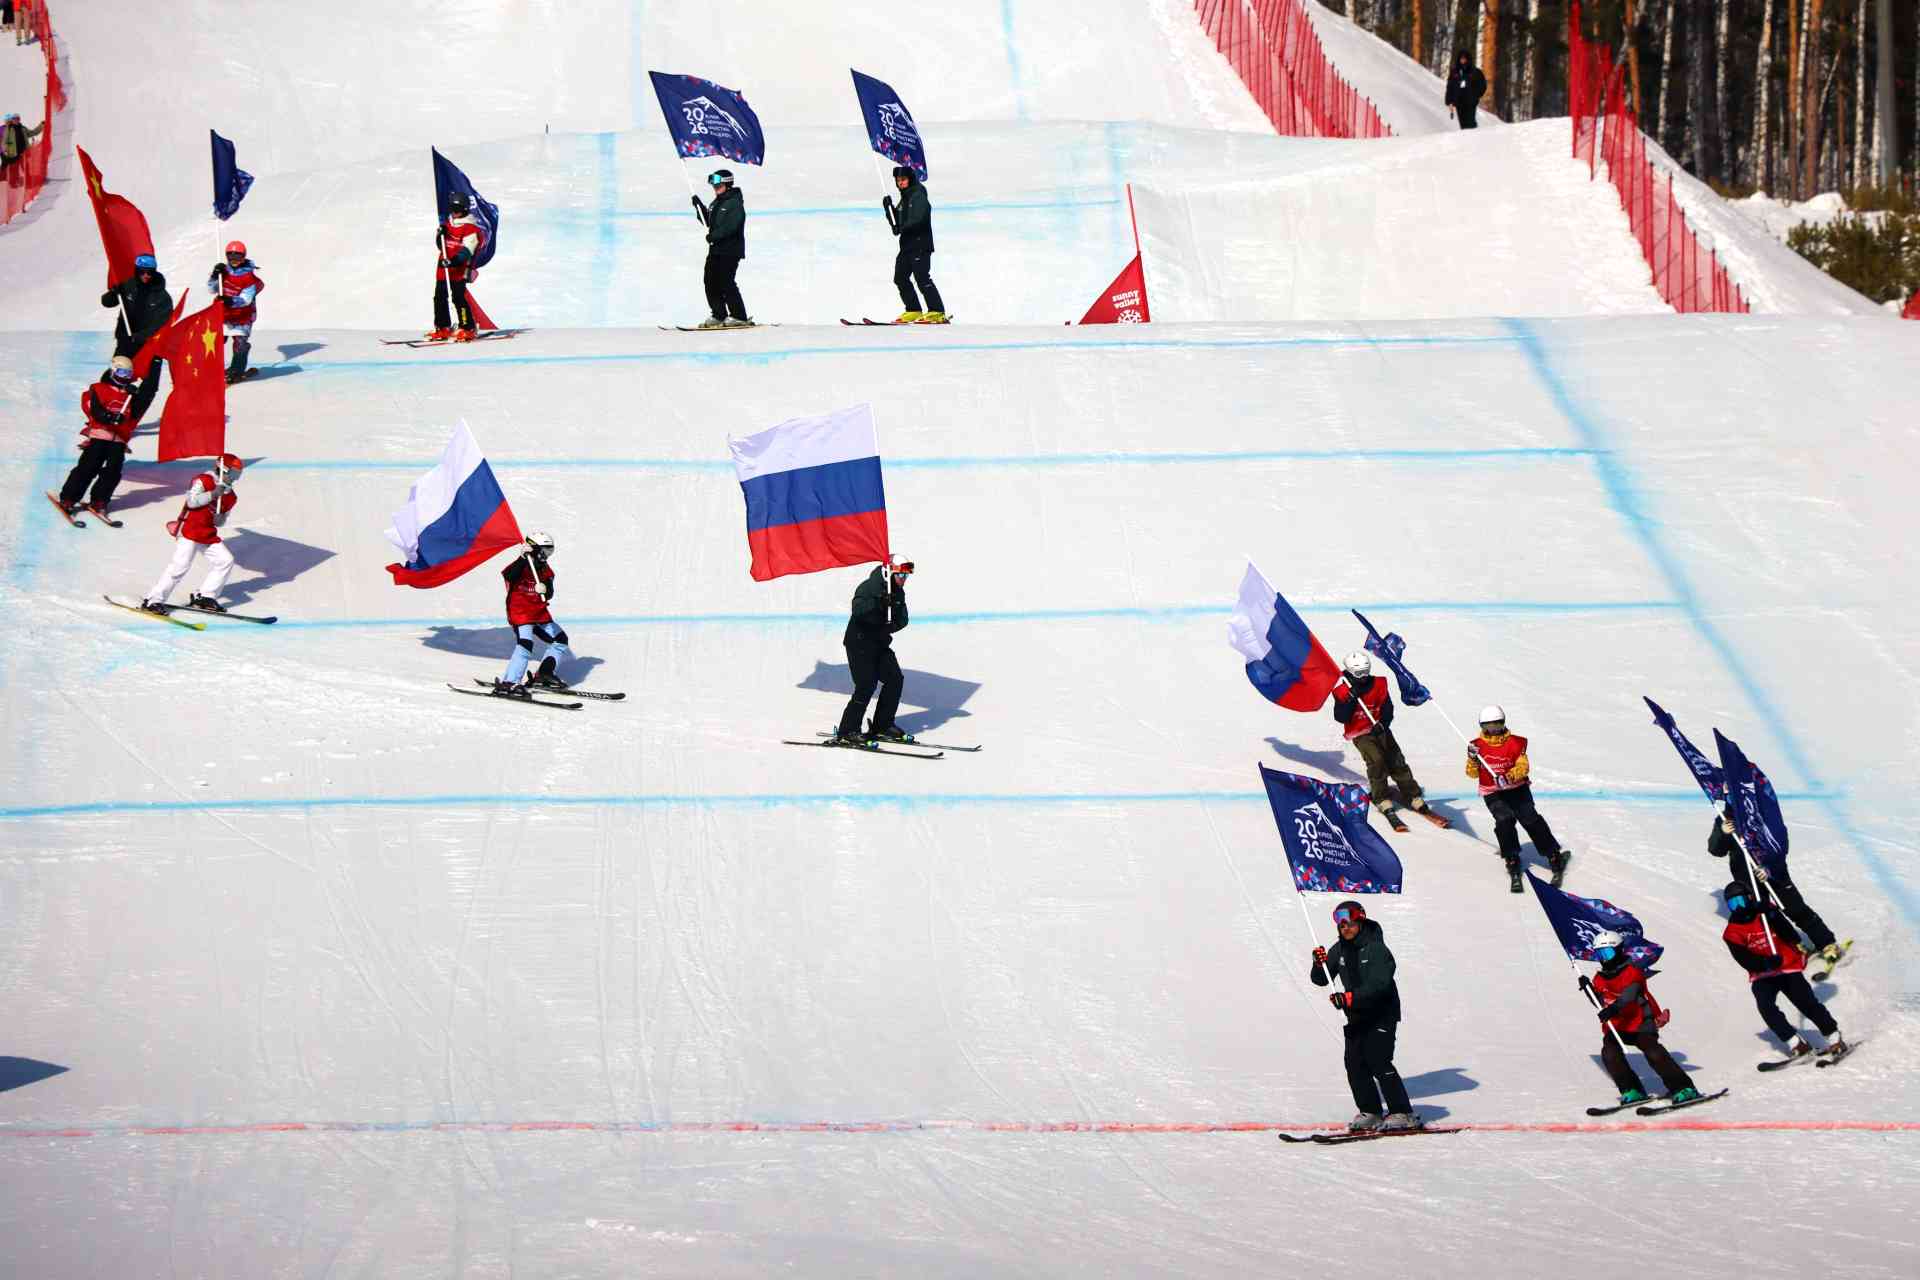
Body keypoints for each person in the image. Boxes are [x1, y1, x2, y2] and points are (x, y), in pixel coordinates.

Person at [1309, 900, 1419, 1132]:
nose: (1345, 928)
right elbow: (1321, 979)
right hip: (1357, 1015)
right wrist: (1318, 965)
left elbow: (1380, 984)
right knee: (1355, 1063)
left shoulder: (1376, 948)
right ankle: (1371, 1112)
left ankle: (1403, 1112)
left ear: (1360, 920)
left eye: (1349, 923)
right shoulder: (1339, 949)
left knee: (1378, 1059)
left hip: (1382, 1012)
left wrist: (1349, 998)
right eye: (1341, 925)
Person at [1721, 881, 1847, 1066]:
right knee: (1766, 1007)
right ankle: (1796, 1042)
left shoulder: (1764, 913)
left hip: (1786, 965)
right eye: (1732, 904)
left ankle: (1833, 1037)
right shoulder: (1731, 932)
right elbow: (1743, 959)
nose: (1738, 907)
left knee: (1806, 1003)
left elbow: (1789, 933)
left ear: (1749, 897)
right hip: (1763, 973)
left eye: (1740, 900)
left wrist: (1772, 914)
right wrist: (1764, 963)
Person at [1582, 930, 1701, 1108]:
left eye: (1607, 953)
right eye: (1600, 954)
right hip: (1617, 1025)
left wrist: (1613, 1009)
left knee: (1653, 1052)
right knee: (1609, 1053)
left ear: (1619, 950)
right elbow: (1600, 1002)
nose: (1604, 958)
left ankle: (1683, 1088)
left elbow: (1629, 996)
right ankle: (1631, 1090)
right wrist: (1588, 989)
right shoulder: (1599, 978)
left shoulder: (1632, 972)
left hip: (1639, 1022)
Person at [1707, 811, 1842, 967]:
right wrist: (1723, 834)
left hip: (1773, 871)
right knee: (1767, 916)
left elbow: (1780, 841)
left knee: (1794, 907)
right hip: (1746, 877)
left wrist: (1769, 868)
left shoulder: (1760, 808)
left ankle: (1826, 943)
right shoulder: (1724, 817)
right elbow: (1715, 850)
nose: (1728, 792)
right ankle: (1795, 945)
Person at [1466, 704, 1568, 893]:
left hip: (1517, 789)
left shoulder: (1515, 743)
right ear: (1482, 726)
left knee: (1530, 818)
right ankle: (1511, 857)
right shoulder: (1476, 746)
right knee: (1504, 820)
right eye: (1489, 727)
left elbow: (1523, 767)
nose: (1493, 731)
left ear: (1503, 723)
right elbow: (1471, 774)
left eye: (1497, 725)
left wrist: (1510, 776)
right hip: (1493, 792)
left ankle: (1553, 854)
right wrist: (1472, 759)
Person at [1331, 651, 1435, 826]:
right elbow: (1341, 717)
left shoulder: (1379, 683)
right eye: (1359, 673)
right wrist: (1350, 699)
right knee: (1377, 761)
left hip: (1379, 728)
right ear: (1349, 672)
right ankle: (1381, 797)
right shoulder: (1343, 691)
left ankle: (1412, 794)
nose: (1364, 677)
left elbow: (1387, 706)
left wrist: (1384, 723)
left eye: (1366, 671)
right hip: (1360, 732)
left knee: (1395, 759)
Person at [54, 355, 158, 519]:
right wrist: (108, 417)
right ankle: (69, 498)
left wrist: (156, 363)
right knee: (88, 467)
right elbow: (95, 410)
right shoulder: (98, 388)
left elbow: (149, 391)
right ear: (113, 370)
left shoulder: (130, 396)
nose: (125, 377)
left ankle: (100, 500)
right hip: (100, 435)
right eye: (122, 372)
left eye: (128, 374)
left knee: (113, 471)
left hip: (118, 440)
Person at [142, 454, 243, 613]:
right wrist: (212, 494)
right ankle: (153, 600)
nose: (235, 478)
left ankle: (205, 596)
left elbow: (221, 522)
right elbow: (191, 501)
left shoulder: (231, 496)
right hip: (189, 529)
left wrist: (220, 518)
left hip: (207, 533)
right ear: (223, 468)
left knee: (225, 560)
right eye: (233, 473)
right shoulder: (203, 480)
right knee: (179, 567)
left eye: (238, 474)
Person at [832, 560, 912, 745]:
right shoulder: (869, 587)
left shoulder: (898, 592)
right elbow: (858, 610)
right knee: (866, 685)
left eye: (906, 575)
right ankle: (847, 730)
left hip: (879, 643)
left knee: (895, 679)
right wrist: (879, 603)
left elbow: (903, 620)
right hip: (859, 643)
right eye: (900, 574)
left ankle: (882, 726)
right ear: (889, 573)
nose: (904, 579)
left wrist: (891, 621)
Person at [492, 532, 574, 697]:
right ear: (535, 549)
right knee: (525, 644)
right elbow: (509, 576)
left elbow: (549, 593)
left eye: (550, 551)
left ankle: (544, 675)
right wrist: (522, 558)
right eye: (545, 551)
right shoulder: (521, 565)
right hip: (521, 613)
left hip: (539, 613)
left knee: (560, 640)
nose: (547, 555)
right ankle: (510, 682)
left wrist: (544, 588)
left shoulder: (545, 569)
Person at [886, 165, 945, 324]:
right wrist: (888, 209)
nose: (901, 183)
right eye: (898, 180)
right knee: (900, 277)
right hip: (906, 246)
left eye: (903, 180)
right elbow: (896, 226)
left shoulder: (918, 195)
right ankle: (913, 309)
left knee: (922, 278)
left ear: (910, 179)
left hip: (920, 244)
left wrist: (901, 227)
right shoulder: (904, 198)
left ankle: (937, 311)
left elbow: (919, 218)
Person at [694, 169, 749, 328]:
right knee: (710, 280)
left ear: (727, 184)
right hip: (716, 250)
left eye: (718, 185)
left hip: (730, 250)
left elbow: (731, 226)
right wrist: (699, 207)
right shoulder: (716, 203)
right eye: (714, 185)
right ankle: (719, 314)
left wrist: (714, 236)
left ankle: (739, 316)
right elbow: (708, 223)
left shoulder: (735, 203)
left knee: (726, 281)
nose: (716, 188)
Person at [431, 191, 487, 342]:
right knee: (439, 297)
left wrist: (453, 261)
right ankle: (443, 327)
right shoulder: (448, 225)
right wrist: (439, 235)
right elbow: (441, 246)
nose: (454, 212)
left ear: (464, 209)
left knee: (458, 298)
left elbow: (467, 251)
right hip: (443, 269)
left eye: (457, 209)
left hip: (458, 270)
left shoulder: (470, 228)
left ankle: (467, 327)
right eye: (452, 209)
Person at [207, 240, 265, 383]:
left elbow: (246, 299)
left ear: (244, 257)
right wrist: (215, 276)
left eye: (238, 257)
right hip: (223, 314)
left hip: (242, 316)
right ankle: (210, 367)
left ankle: (237, 369)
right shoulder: (224, 271)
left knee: (239, 342)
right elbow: (211, 289)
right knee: (214, 340)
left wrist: (229, 300)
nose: (234, 260)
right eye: (230, 257)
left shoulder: (248, 277)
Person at [102, 253, 174, 359]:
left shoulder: (163, 298)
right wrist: (113, 293)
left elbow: (161, 326)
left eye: (150, 272)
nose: (146, 275)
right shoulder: (128, 286)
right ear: (137, 271)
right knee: (119, 373)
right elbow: (106, 303)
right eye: (142, 272)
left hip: (149, 347)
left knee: (146, 375)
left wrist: (138, 337)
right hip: (125, 343)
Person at [1445, 52, 1487, 130]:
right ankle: (1465, 140)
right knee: (1462, 123)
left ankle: (1474, 138)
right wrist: (1449, 101)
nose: (1463, 60)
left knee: (1470, 122)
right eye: (1461, 58)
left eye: (1464, 58)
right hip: (1458, 101)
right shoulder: (1455, 72)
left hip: (1470, 101)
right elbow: (1450, 87)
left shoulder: (1475, 72)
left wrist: (1476, 95)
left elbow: (1482, 85)